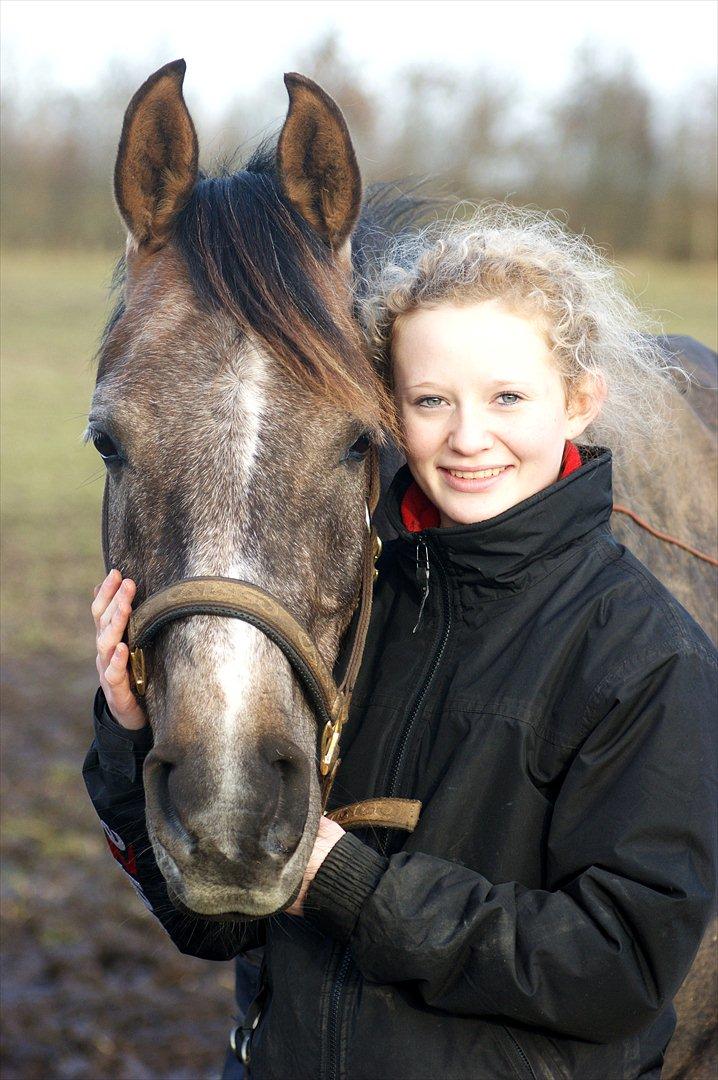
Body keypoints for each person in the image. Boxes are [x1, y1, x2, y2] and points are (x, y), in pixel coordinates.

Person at [84, 205, 717, 1079]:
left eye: (507, 398)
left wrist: (356, 889)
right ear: (390, 410)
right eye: (429, 401)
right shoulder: (353, 618)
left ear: (579, 402)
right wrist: (131, 739)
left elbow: (622, 967)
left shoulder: (648, 655)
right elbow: (216, 924)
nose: (466, 437)